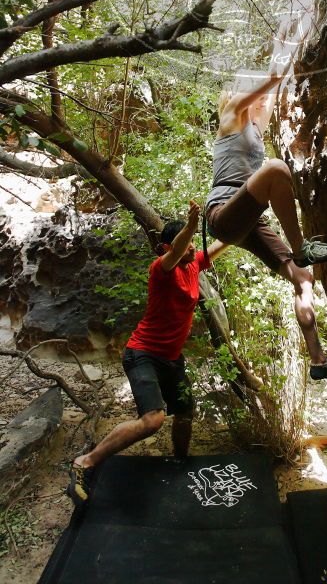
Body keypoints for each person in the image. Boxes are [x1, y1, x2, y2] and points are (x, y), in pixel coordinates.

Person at [67, 201, 227, 507]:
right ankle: (84, 462)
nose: (193, 246)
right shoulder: (161, 269)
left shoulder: (194, 264)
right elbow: (178, 250)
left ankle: (181, 461)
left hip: (171, 358)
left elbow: (225, 241)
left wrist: (245, 215)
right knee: (153, 420)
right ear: (167, 247)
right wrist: (192, 225)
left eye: (194, 241)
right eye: (188, 241)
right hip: (143, 354)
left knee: (184, 413)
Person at [205, 68, 327, 381]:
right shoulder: (231, 113)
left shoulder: (256, 125)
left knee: (304, 280)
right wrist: (276, 71)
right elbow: (269, 81)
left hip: (249, 223)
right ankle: (302, 248)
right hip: (222, 214)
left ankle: (318, 360)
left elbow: (272, 90)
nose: (264, 100)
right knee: (275, 169)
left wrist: (286, 52)